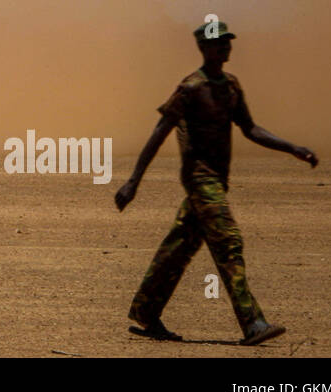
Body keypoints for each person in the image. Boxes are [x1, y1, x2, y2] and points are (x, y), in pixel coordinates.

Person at [114, 21, 318, 346]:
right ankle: (253, 323)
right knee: (229, 242)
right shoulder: (191, 88)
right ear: (203, 48)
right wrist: (133, 181)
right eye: (217, 43)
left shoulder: (231, 86)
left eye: (226, 42)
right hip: (200, 180)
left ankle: (145, 312)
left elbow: (250, 128)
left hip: (217, 182)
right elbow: (160, 131)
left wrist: (292, 147)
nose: (223, 48)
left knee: (178, 248)